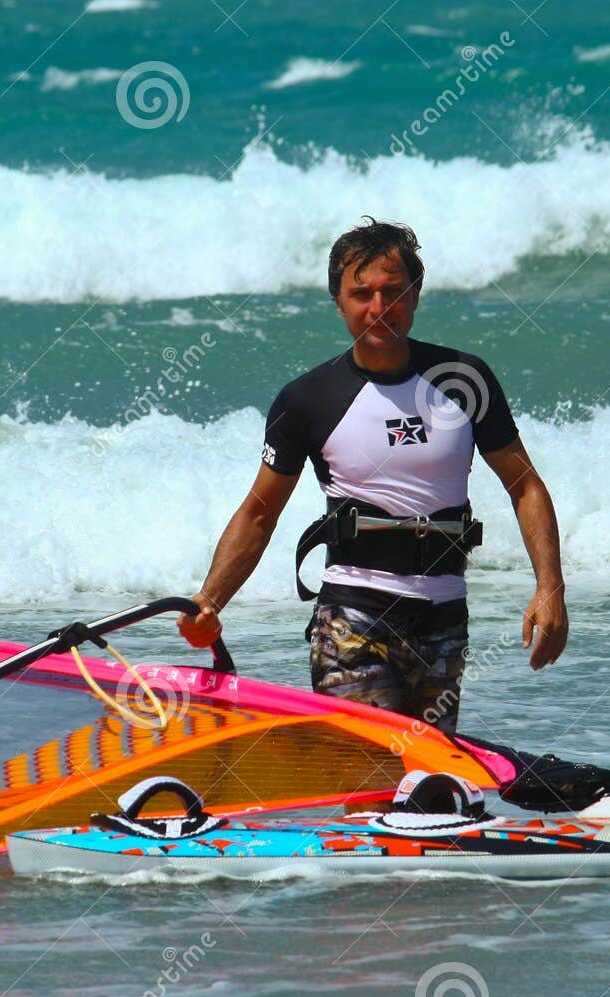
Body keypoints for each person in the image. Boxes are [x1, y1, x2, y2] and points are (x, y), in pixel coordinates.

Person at [178, 217, 567, 737]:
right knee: (372, 783)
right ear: (338, 303)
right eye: (361, 293)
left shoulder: (464, 379)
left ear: (416, 293)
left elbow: (525, 486)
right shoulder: (307, 400)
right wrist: (210, 601)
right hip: (353, 617)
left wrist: (551, 589)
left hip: (444, 619)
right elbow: (259, 512)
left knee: (429, 786)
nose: (379, 308)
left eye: (393, 290)